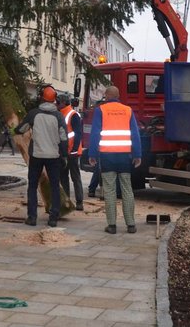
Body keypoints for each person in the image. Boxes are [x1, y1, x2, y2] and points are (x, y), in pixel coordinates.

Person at [87, 85, 142, 234]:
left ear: (106, 96)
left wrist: (92, 154)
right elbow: (135, 134)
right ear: (118, 96)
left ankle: (112, 225)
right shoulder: (127, 110)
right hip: (125, 157)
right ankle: (131, 225)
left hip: (107, 157)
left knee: (110, 191)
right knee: (127, 189)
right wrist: (137, 155)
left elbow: (95, 134)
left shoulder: (101, 110)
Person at [18, 85, 67, 227]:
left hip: (37, 155)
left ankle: (32, 217)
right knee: (54, 186)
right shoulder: (58, 116)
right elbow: (64, 138)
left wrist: (14, 129)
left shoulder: (34, 113)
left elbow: (22, 129)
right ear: (54, 100)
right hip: (53, 156)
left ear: (41, 97)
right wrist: (63, 155)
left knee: (32, 186)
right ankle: (53, 218)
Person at [57, 93, 85, 211]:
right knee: (65, 177)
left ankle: (79, 202)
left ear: (63, 103)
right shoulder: (59, 114)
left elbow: (78, 133)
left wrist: (73, 149)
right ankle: (67, 200)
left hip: (71, 151)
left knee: (74, 177)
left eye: (58, 102)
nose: (56, 104)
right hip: (64, 151)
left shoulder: (73, 115)